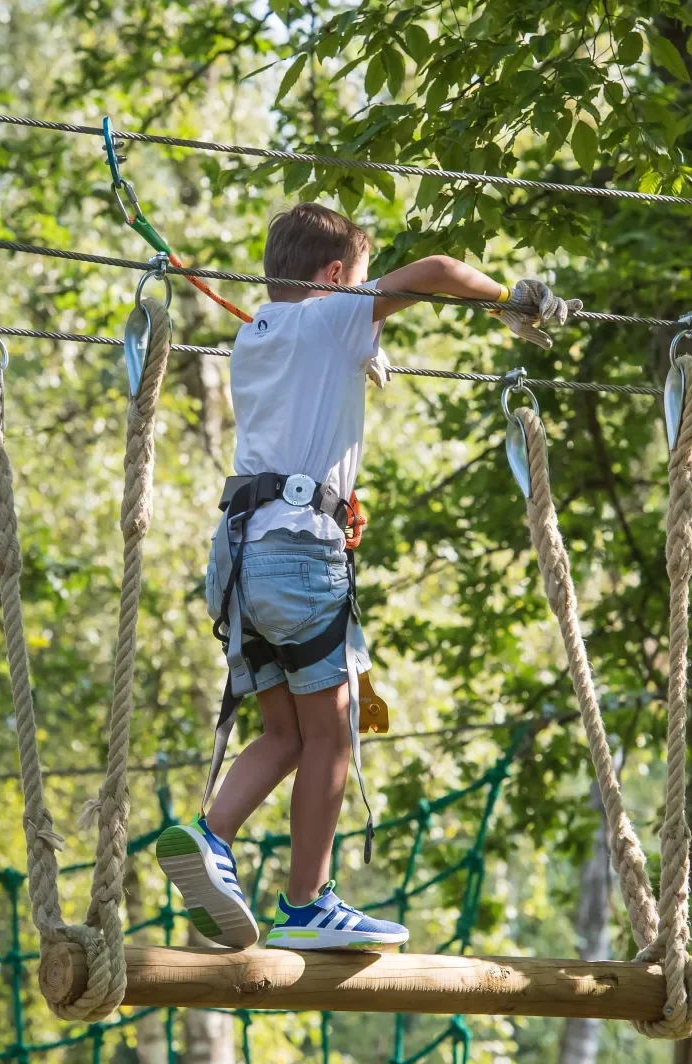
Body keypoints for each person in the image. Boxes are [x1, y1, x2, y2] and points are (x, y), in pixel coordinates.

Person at [155, 203, 578, 952]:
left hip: (241, 557)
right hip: (297, 554)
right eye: (355, 280)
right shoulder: (334, 319)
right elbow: (439, 273)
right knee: (333, 736)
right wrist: (513, 302)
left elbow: (309, 381)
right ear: (335, 277)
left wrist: (362, 348)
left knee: (283, 733)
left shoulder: (253, 335)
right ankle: (307, 903)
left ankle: (211, 836)